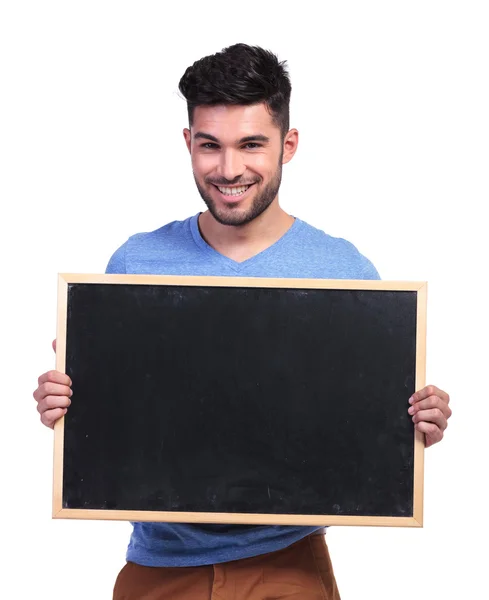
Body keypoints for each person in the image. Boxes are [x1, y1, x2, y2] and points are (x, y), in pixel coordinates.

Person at [33, 43, 452, 600]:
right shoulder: (134, 265)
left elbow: (362, 431)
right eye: (210, 146)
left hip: (288, 568)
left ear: (289, 144)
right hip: (158, 570)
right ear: (188, 144)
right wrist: (68, 408)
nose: (229, 169)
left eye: (251, 144)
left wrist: (416, 423)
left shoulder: (343, 272)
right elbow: (117, 422)